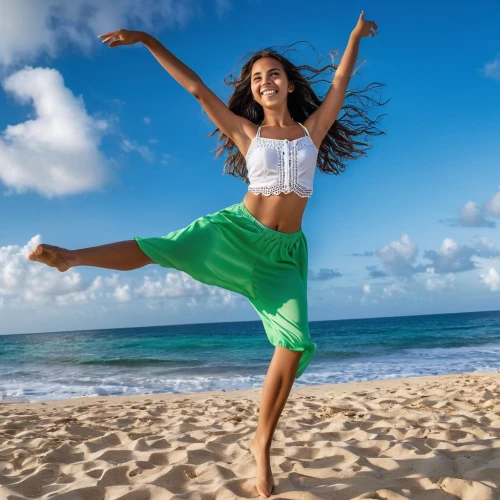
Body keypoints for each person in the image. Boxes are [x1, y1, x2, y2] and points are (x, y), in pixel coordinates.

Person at [28, 11, 382, 497]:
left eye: (274, 73)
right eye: (257, 78)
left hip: (284, 256)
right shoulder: (247, 133)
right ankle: (72, 257)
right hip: (236, 233)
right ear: (253, 92)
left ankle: (261, 443)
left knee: (295, 342)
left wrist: (353, 35)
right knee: (164, 247)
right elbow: (195, 87)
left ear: (290, 85)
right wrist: (149, 39)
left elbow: (340, 81)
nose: (265, 81)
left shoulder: (311, 132)